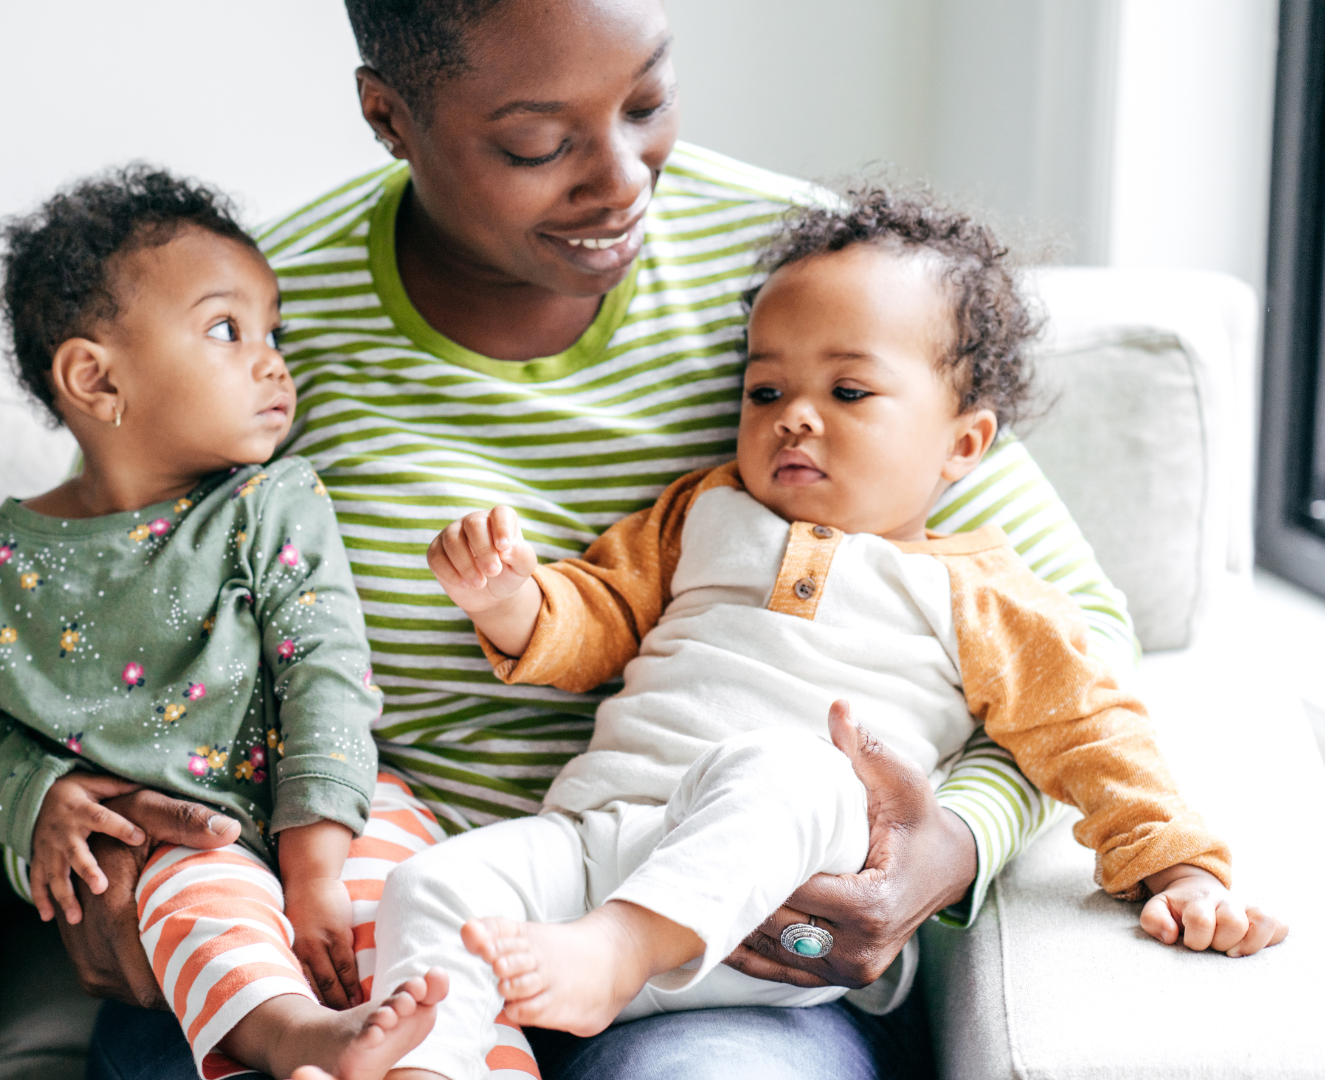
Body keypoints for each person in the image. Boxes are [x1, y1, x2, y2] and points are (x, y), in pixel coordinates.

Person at [67, 2, 1148, 1076]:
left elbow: (1077, 636)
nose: (625, 177)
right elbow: (94, 605)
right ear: (388, 116)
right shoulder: (258, 320)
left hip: (721, 930)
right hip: (356, 926)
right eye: (538, 143)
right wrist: (53, 809)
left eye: (648, 100)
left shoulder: (812, 282)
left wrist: (951, 843)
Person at [354, 187, 1287, 1080]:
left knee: (790, 768)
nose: (794, 416)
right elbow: (598, 619)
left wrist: (1181, 870)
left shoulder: (983, 594)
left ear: (963, 444)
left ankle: (620, 950)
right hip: (601, 840)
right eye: (766, 392)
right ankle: (429, 1065)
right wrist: (507, 598)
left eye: (849, 392)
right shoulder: (707, 509)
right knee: (427, 887)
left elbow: (1091, 733)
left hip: (786, 913)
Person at [0, 166, 462, 1080]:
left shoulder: (273, 503)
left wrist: (316, 871)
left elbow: (326, 676)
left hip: (340, 820)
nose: (272, 361)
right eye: (227, 329)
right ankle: (301, 1042)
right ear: (95, 379)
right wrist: (44, 796)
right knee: (192, 903)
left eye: (273, 331)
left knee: (428, 929)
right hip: (187, 842)